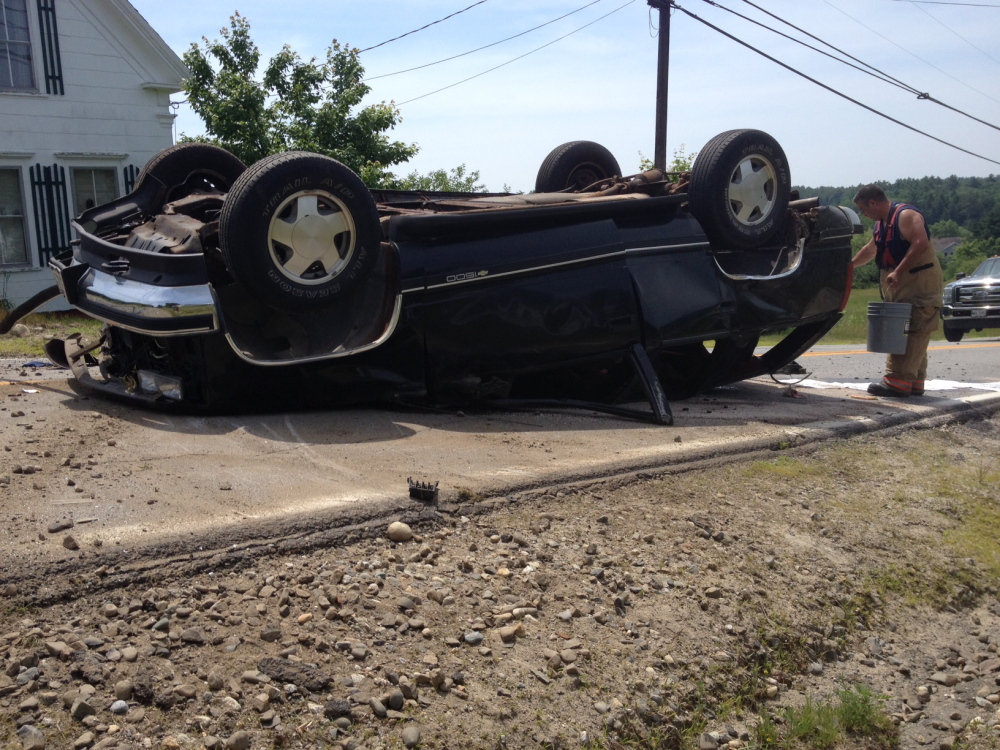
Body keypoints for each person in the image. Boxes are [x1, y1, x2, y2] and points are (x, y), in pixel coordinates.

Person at [852, 185, 943, 397]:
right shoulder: (882, 225)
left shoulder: (906, 215)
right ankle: (914, 381)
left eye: (863, 210)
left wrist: (899, 271)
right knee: (910, 331)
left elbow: (920, 243)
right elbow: (871, 250)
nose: (863, 215)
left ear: (873, 203)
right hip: (902, 287)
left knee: (914, 328)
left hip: (921, 283)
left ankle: (897, 381)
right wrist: (850, 266)